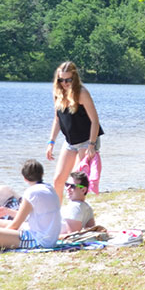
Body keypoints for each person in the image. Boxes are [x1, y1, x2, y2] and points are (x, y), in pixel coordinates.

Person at [46, 61, 103, 202]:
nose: (64, 83)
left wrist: (92, 145)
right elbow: (57, 120)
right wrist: (51, 142)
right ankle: (57, 212)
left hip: (87, 140)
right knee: (58, 180)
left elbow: (95, 120)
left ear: (75, 78)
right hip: (70, 142)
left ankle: (78, 211)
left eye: (68, 80)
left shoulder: (82, 93)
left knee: (77, 181)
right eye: (61, 80)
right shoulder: (58, 93)